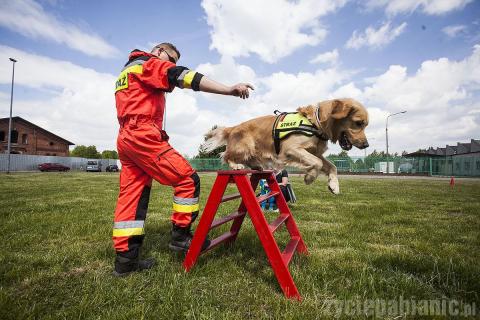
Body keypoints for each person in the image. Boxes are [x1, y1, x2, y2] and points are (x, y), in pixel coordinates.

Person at [112, 43, 253, 276]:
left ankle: (125, 263)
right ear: (158, 52)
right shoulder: (149, 64)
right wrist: (229, 89)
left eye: (174, 61)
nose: (171, 64)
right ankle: (180, 237)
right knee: (187, 179)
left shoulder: (127, 72)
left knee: (132, 198)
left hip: (126, 137)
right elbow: (185, 77)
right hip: (143, 135)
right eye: (171, 58)